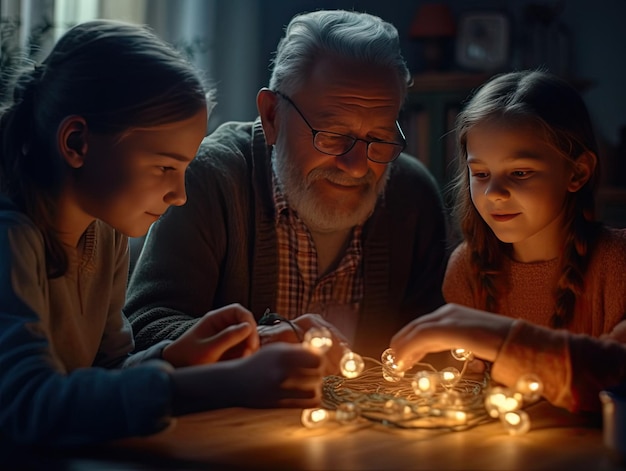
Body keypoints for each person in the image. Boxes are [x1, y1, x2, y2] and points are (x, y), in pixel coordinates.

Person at [0, 20, 324, 447]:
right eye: (164, 167)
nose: (180, 195)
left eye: (185, 169)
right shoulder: (11, 237)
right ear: (76, 141)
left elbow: (104, 373)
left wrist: (179, 358)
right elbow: (25, 403)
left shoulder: (104, 232)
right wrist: (216, 386)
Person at [124, 9, 448, 361]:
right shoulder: (211, 179)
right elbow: (144, 329)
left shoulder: (413, 197)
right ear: (272, 116)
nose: (357, 168)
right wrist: (262, 341)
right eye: (334, 136)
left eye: (379, 138)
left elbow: (433, 350)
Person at [443, 69, 626, 336]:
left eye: (519, 173)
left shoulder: (618, 264)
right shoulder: (466, 270)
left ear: (577, 173)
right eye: (481, 174)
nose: (494, 193)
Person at [390, 303, 626, 413]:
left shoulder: (616, 259)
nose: (495, 199)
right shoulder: (466, 266)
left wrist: (514, 344)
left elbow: (617, 383)